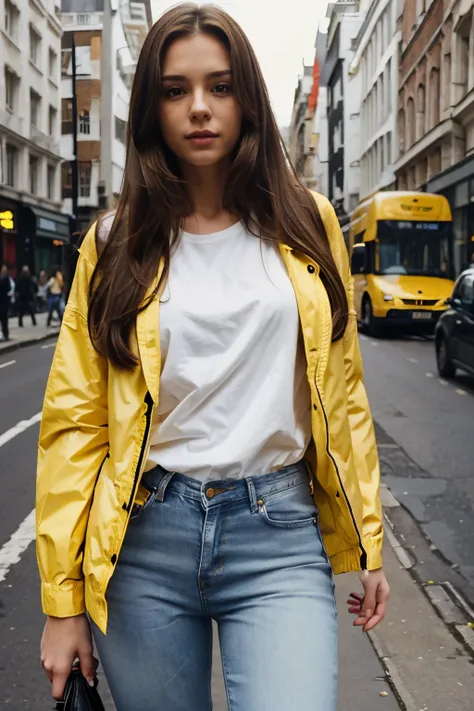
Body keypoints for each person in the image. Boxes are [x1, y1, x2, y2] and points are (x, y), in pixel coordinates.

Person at [37, 5, 389, 711]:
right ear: (151, 108)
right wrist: (62, 600)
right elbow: (75, 422)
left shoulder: (308, 221)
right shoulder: (112, 242)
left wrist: (368, 539)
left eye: (220, 86)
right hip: (144, 542)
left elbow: (342, 389)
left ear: (248, 98)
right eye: (175, 90)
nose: (199, 108)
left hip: (280, 534)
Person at [0, 264, 12, 341]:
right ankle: (5, 334)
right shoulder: (7, 278)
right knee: (4, 320)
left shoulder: (2, 278)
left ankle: (4, 334)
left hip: (2, 302)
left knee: (3, 320)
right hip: (4, 302)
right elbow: (9, 288)